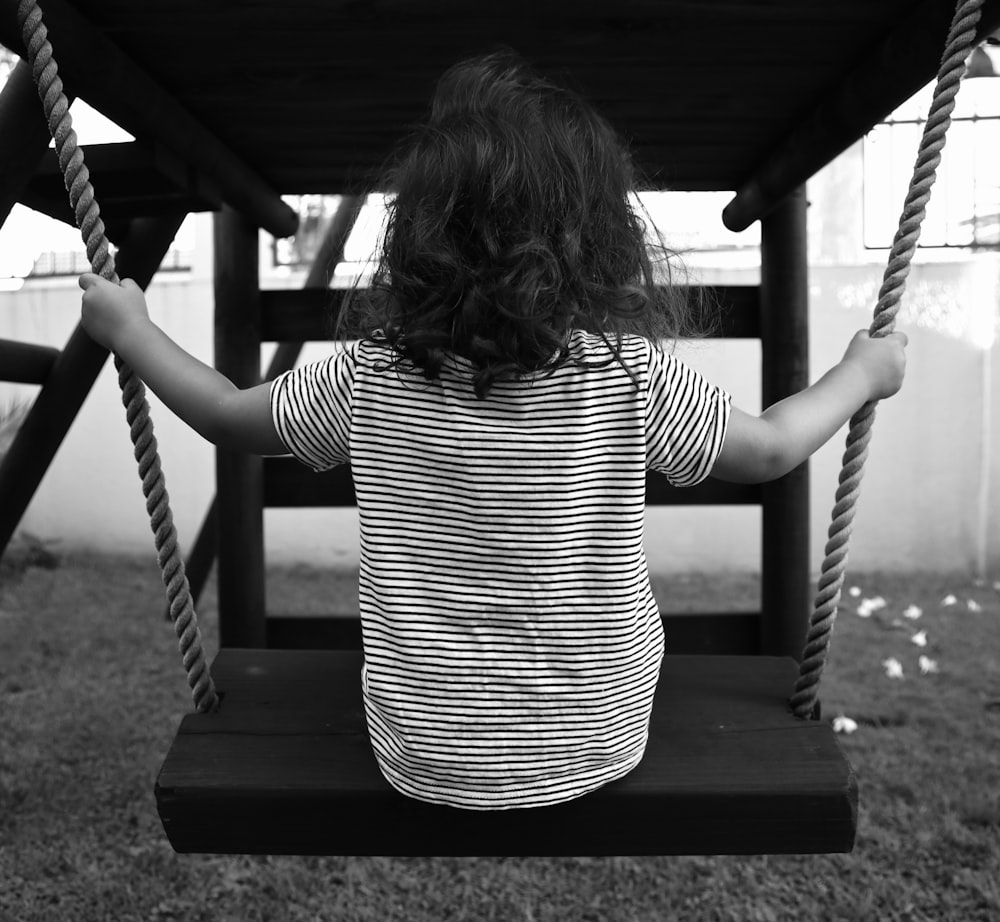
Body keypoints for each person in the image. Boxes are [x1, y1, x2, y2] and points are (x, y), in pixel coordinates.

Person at [78, 51, 906, 811]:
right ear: (596, 238)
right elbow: (764, 450)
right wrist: (859, 375)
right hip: (597, 738)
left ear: (420, 237)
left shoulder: (372, 375)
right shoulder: (623, 373)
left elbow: (225, 414)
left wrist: (133, 331)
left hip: (422, 749)